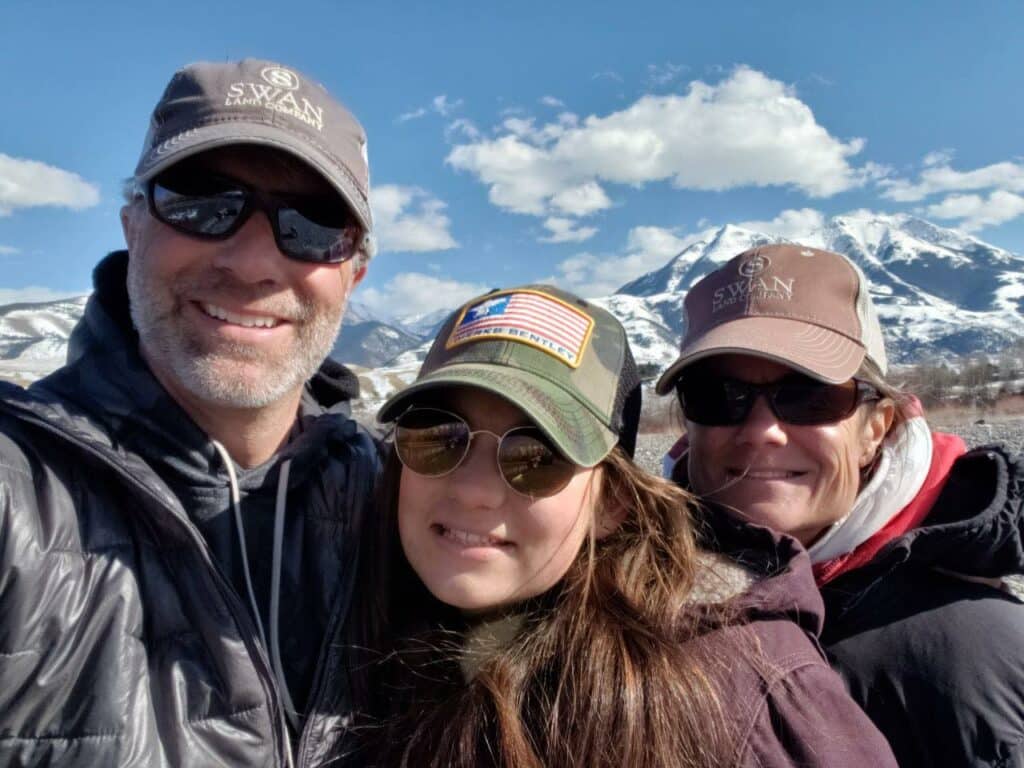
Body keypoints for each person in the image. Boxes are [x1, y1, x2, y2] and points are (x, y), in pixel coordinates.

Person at [0, 59, 380, 766]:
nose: (253, 261)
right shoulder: (19, 492)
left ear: (353, 271)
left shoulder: (409, 501)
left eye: (312, 224)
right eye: (203, 200)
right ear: (132, 226)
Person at [343, 284, 897, 767]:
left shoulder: (735, 694)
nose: (473, 490)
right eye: (439, 437)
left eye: (538, 455)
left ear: (611, 504)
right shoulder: (353, 630)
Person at [657, 243, 1024, 767]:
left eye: (809, 395)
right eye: (719, 395)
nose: (763, 431)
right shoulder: (623, 600)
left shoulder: (971, 656)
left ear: (876, 429)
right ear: (688, 425)